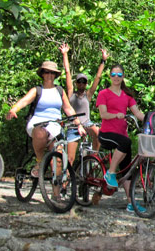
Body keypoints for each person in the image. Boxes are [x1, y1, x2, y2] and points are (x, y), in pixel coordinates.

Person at [7, 60, 81, 178]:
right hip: (38, 122)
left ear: (55, 75)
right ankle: (39, 161)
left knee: (57, 159)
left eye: (52, 73)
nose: (49, 75)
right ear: (42, 74)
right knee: (40, 132)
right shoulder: (37, 90)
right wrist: (14, 109)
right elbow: (24, 101)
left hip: (55, 125)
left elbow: (68, 109)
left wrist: (79, 125)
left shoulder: (60, 91)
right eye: (46, 72)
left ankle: (56, 194)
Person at [96, 64, 146, 212]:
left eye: (119, 75)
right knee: (126, 142)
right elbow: (103, 114)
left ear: (123, 77)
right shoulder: (103, 93)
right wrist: (115, 115)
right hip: (106, 134)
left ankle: (131, 202)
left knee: (127, 169)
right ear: (110, 76)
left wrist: (152, 119)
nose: (116, 78)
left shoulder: (127, 95)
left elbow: (137, 113)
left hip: (121, 137)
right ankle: (110, 173)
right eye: (113, 75)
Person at [60, 44, 107, 164]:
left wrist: (103, 61)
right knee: (70, 159)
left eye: (84, 82)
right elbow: (67, 72)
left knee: (98, 132)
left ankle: (94, 157)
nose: (81, 84)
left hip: (86, 123)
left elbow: (97, 77)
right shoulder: (71, 94)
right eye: (79, 82)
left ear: (86, 84)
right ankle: (67, 179)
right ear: (76, 84)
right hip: (73, 126)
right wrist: (65, 54)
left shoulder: (88, 94)